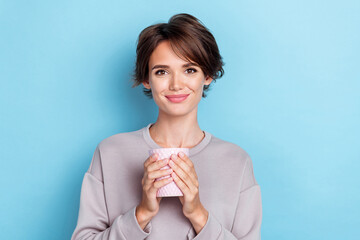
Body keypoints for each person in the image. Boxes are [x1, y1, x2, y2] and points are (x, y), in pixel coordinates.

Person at [71, 13, 262, 240]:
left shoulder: (237, 161)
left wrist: (197, 214)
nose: (176, 84)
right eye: (161, 71)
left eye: (189, 70)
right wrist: (142, 213)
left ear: (208, 75)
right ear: (146, 79)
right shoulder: (110, 152)